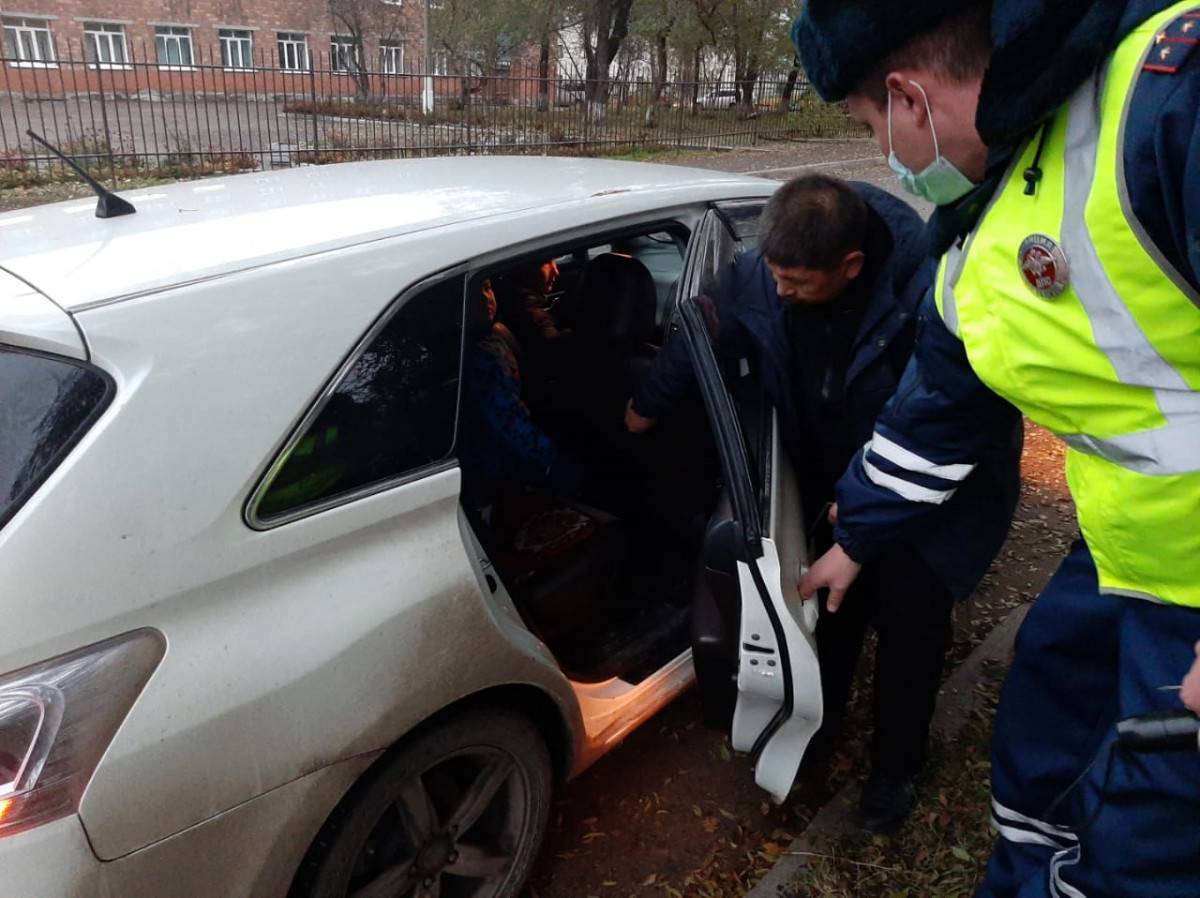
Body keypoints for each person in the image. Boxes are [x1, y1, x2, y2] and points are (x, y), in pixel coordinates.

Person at [793, 1, 1200, 894]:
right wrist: (854, 539)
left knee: (1149, 852)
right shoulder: (971, 235)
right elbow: (936, 406)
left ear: (909, 97)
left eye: (872, 127)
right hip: (1120, 564)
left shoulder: (1169, 97)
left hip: (1189, 605)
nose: (887, 158)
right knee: (1040, 766)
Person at [627, 174, 1020, 831]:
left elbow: (947, 422)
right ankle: (817, 732)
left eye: (797, 283)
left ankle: (894, 771)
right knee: (827, 614)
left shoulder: (934, 290)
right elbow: (704, 329)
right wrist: (644, 407)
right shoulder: (765, 271)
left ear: (851, 266)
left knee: (908, 630)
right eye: (774, 275)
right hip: (832, 482)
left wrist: (863, 533)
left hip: (930, 491)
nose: (779, 291)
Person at [457, 279, 582, 502]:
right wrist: (554, 462)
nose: (486, 298)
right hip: (499, 474)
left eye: (487, 288)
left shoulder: (493, 337)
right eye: (476, 294)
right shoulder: (478, 358)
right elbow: (510, 425)